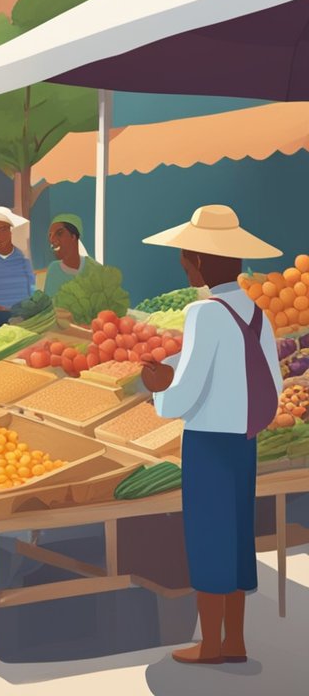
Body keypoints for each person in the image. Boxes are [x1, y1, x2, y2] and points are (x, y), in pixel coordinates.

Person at [139, 205, 281, 666]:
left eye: (186, 255)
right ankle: (236, 641)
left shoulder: (203, 312)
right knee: (238, 536)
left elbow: (186, 395)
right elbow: (273, 385)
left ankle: (213, 646)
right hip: (244, 442)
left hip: (207, 443)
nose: (182, 262)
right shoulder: (257, 313)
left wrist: (160, 389)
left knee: (207, 538)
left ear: (200, 262)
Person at [43, 213, 99, 298]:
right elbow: (49, 305)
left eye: (59, 233)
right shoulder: (53, 270)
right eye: (50, 235)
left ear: (74, 236)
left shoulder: (94, 269)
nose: (52, 240)